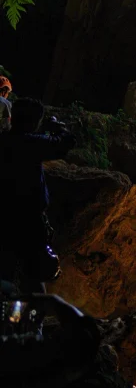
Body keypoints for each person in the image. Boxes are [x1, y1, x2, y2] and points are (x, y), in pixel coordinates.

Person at [0, 99, 73, 292]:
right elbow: (65, 143)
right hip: (29, 221)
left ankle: (8, 317)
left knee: (5, 271)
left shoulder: (5, 141)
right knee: (34, 276)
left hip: (4, 218)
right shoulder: (32, 144)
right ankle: (29, 319)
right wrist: (58, 127)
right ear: (34, 123)